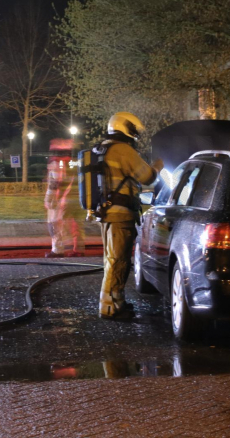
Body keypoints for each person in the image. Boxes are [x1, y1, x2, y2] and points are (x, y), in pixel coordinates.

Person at [97, 112, 163, 320]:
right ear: (126, 128)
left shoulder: (102, 148)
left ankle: (116, 302)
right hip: (120, 214)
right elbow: (147, 177)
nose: (135, 136)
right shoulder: (123, 150)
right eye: (134, 131)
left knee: (113, 260)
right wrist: (159, 165)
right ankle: (110, 308)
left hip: (106, 213)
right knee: (118, 261)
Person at [44, 139, 85, 258]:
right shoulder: (76, 163)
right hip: (79, 200)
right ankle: (79, 249)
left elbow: (54, 184)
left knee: (54, 224)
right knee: (77, 225)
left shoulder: (56, 164)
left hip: (63, 200)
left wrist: (48, 200)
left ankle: (57, 250)